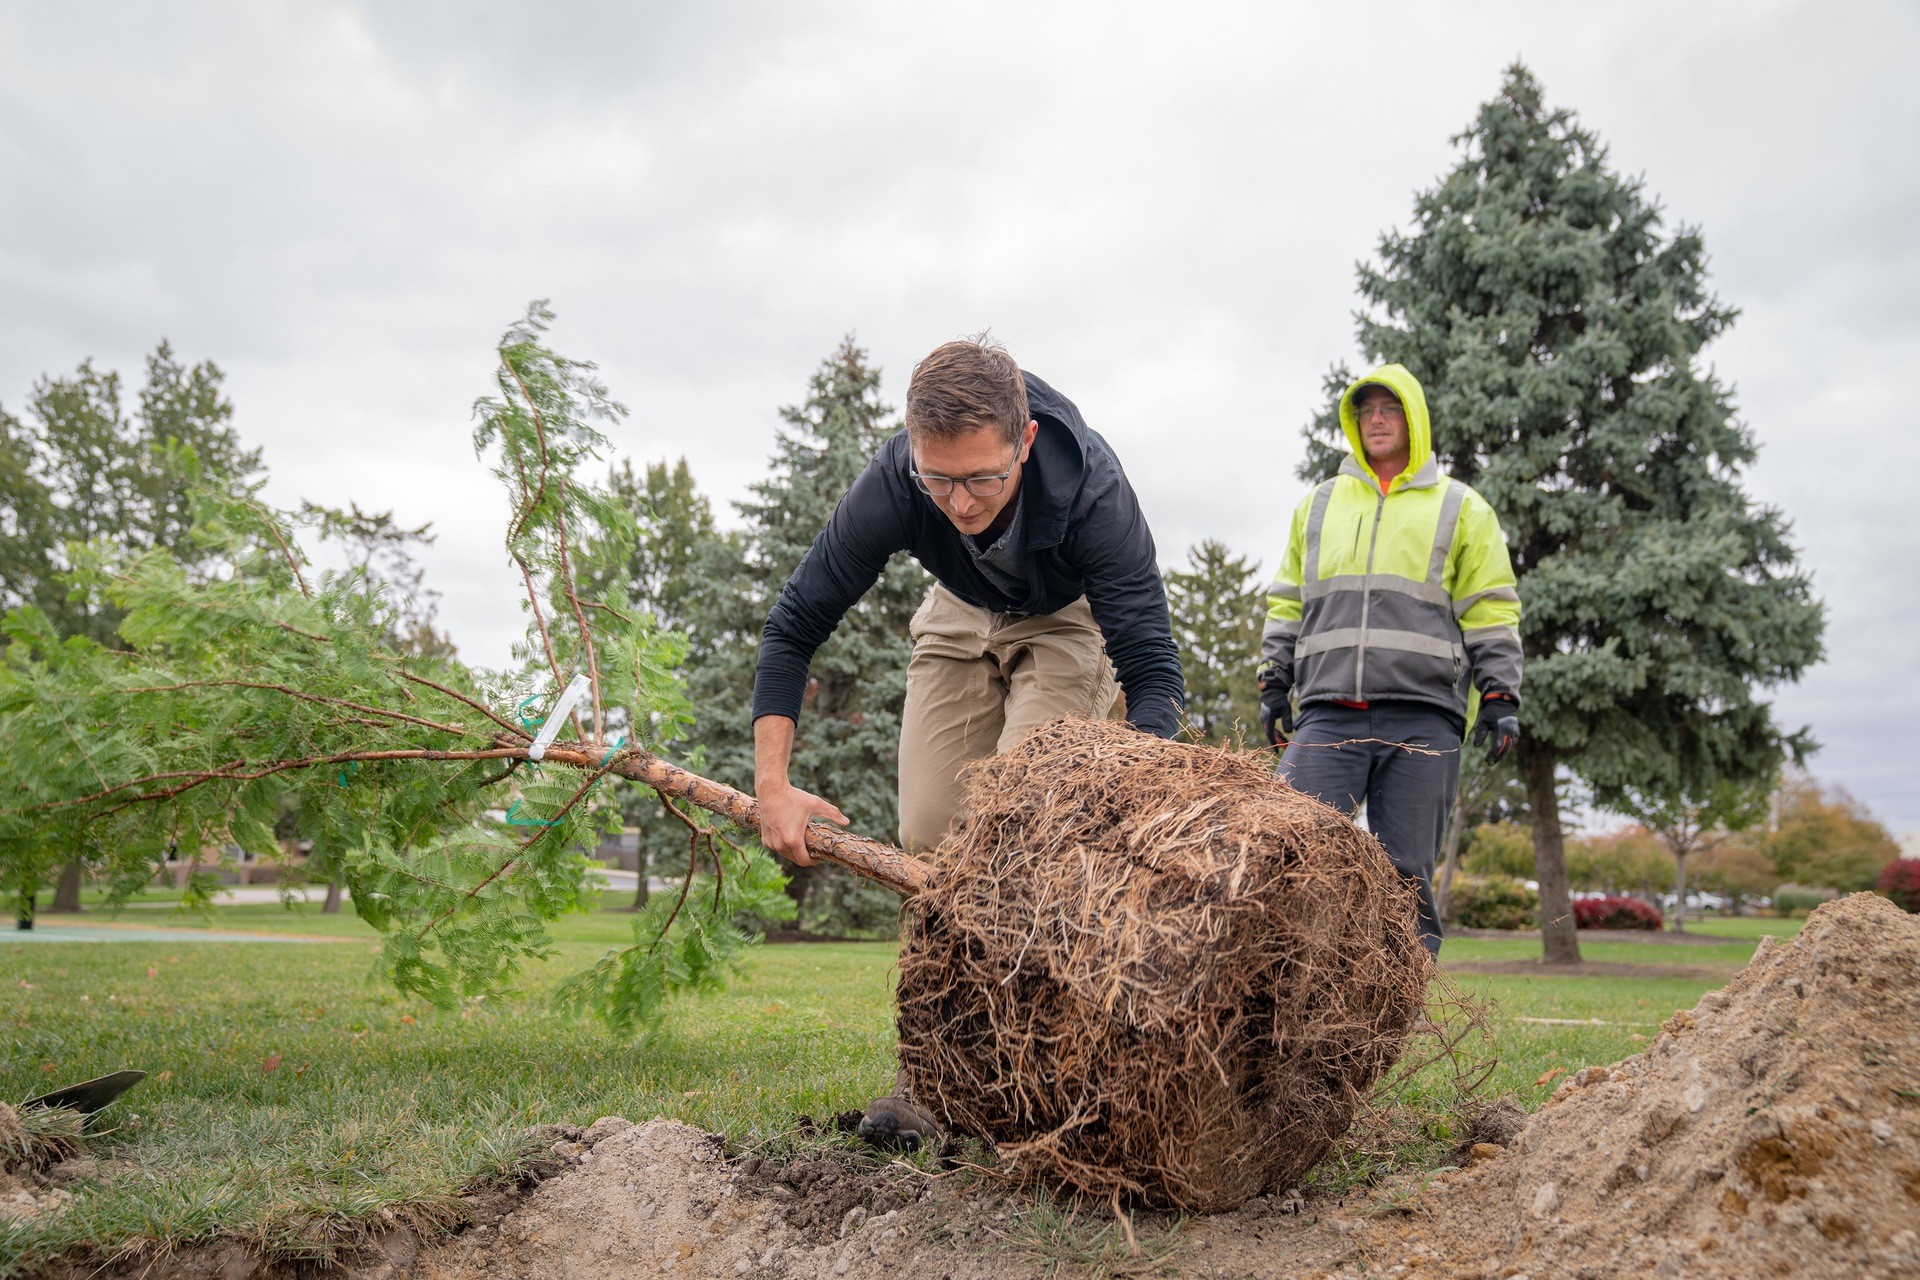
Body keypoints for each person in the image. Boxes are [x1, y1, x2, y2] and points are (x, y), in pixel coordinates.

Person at [750, 335, 1186, 1143]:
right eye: (939, 479)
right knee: (929, 831)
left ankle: (1032, 1066)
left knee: (1014, 828)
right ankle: (931, 1069)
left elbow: (1153, 667)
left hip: (1065, 621)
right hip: (957, 610)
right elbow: (794, 624)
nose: (960, 503)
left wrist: (1144, 789)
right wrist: (771, 785)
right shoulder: (897, 480)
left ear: (1023, 441)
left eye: (983, 478)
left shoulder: (1094, 492)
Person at [1257, 363, 1522, 955]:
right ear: (1354, 423)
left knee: (1406, 875)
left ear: (1414, 420)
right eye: (1365, 410)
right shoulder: (1319, 506)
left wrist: (1500, 695)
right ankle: (1285, 1003)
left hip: (1424, 717)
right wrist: (1274, 681)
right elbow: (1287, 600)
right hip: (1327, 714)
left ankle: (1395, 1023)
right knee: (1287, 853)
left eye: (1390, 408)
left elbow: (1492, 609)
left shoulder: (1461, 509)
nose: (1376, 419)